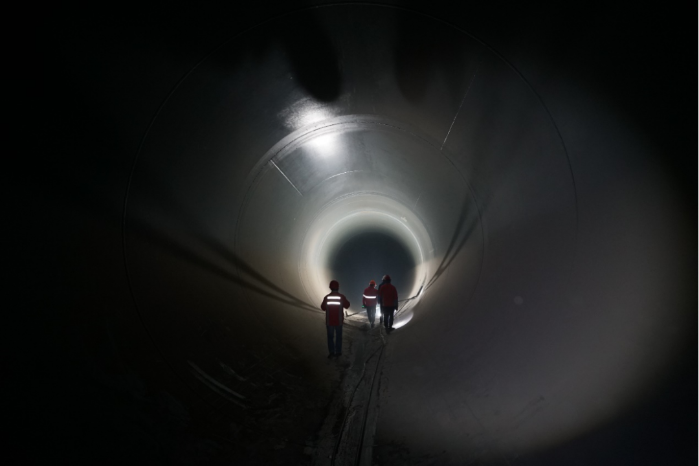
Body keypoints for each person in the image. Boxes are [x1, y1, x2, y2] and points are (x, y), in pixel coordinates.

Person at [321, 280, 350, 358]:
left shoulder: (327, 297)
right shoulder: (341, 297)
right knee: (338, 337)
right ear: (338, 287)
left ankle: (331, 352)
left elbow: (323, 308)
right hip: (339, 321)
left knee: (330, 337)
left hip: (329, 321)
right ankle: (338, 352)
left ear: (330, 287)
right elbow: (347, 305)